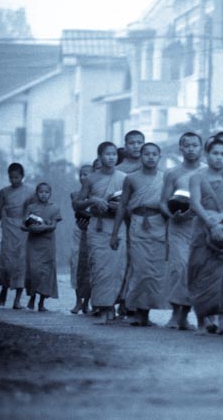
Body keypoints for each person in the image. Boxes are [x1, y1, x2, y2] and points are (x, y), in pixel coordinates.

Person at [110, 142, 167, 327]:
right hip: (137, 224)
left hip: (159, 224)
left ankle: (146, 312)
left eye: (154, 154)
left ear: (159, 157)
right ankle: (134, 310)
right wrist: (115, 232)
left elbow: (169, 205)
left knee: (154, 272)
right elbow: (122, 205)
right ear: (141, 156)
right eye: (147, 154)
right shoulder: (131, 178)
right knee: (140, 269)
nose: (150, 157)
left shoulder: (165, 178)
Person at [75, 142, 127, 324]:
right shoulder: (91, 179)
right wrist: (93, 201)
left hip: (117, 226)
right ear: (99, 157)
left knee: (116, 269)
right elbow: (77, 204)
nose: (111, 157)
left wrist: (119, 207)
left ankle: (111, 305)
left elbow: (128, 205)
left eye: (114, 154)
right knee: (99, 267)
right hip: (97, 227)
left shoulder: (123, 178)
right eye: (107, 154)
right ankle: (101, 306)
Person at [187, 139, 223, 335]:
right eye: (215, 153)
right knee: (199, 273)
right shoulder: (197, 177)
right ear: (207, 155)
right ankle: (201, 321)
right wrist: (210, 223)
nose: (219, 157)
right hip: (201, 229)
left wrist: (221, 219)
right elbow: (195, 204)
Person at [160, 132, 205, 330]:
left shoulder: (207, 171)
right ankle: (174, 313)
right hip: (178, 227)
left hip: (200, 227)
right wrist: (172, 216)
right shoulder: (173, 173)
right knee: (179, 268)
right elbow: (162, 202)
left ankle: (185, 315)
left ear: (201, 147)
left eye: (195, 145)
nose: (191, 149)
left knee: (194, 271)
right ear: (181, 148)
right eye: (187, 145)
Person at [0, 163, 35, 310]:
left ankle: (17, 300)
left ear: (22, 176)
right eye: (11, 177)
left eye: (17, 177)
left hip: (24, 230)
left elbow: (36, 211)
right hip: (9, 229)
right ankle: (4, 289)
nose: (14, 180)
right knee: (7, 262)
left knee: (21, 263)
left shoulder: (30, 191)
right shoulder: (4, 192)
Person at [115, 130, 146, 316]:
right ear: (125, 146)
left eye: (139, 142)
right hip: (124, 220)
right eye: (132, 143)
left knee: (141, 261)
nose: (136, 146)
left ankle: (135, 301)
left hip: (146, 220)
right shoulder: (120, 170)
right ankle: (122, 299)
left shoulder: (150, 164)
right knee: (125, 260)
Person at [23, 182, 62, 312]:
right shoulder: (30, 207)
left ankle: (41, 302)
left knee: (46, 272)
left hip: (47, 244)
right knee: (34, 271)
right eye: (41, 192)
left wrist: (43, 227)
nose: (44, 195)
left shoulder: (54, 208)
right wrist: (31, 227)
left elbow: (53, 226)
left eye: (46, 192)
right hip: (34, 243)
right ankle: (32, 297)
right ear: (37, 193)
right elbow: (23, 225)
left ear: (50, 194)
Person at [70, 165, 93, 314]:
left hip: (94, 231)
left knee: (91, 267)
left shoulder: (99, 194)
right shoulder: (75, 194)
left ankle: (87, 303)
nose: (83, 177)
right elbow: (78, 211)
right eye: (81, 174)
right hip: (79, 232)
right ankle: (78, 301)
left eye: (87, 174)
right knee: (77, 265)